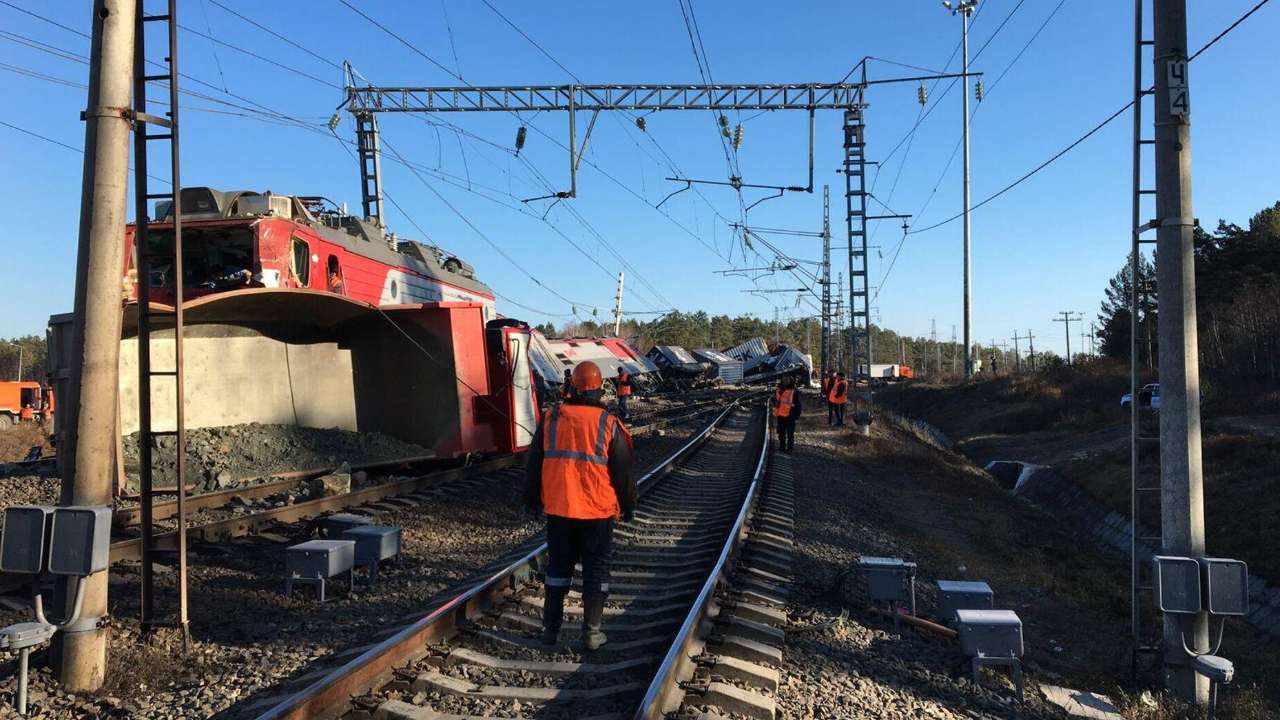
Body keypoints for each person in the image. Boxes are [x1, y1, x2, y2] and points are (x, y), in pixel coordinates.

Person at [524, 361, 636, 650]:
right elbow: (623, 473)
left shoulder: (551, 419)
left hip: (560, 510)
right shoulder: (608, 424)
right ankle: (591, 633)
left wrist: (531, 500)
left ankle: (550, 632)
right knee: (596, 569)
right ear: (599, 390)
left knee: (558, 568)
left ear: (571, 387)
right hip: (597, 512)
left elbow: (533, 465)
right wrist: (628, 505)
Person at [772, 377, 802, 453]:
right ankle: (782, 446)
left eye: (787, 380)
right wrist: (775, 402)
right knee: (781, 432)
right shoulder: (778, 389)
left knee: (790, 433)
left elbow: (798, 404)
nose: (785, 381)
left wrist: (797, 415)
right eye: (784, 380)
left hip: (790, 415)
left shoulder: (794, 391)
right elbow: (775, 398)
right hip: (781, 414)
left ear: (790, 381)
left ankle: (790, 448)